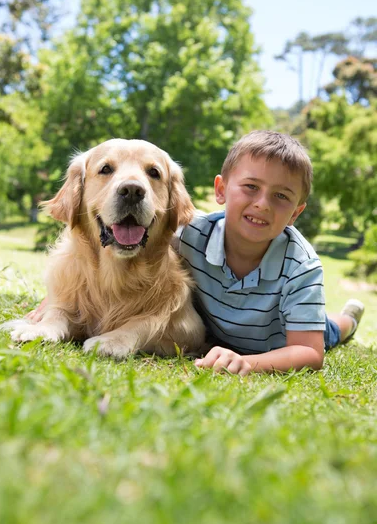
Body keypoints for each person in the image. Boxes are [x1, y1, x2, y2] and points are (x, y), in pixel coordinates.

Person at [27, 131, 365, 376]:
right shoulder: (195, 234)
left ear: (295, 213)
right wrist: (57, 306)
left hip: (280, 335)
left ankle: (346, 321)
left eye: (152, 174)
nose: (262, 203)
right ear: (221, 191)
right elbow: (74, 284)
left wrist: (249, 362)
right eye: (106, 170)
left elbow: (308, 351)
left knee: (326, 329)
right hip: (220, 331)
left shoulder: (302, 266)